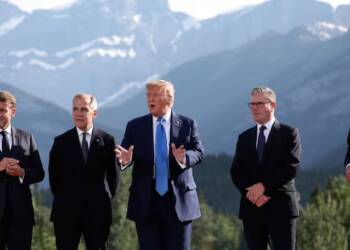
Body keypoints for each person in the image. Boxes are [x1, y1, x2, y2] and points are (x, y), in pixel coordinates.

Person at [115, 80, 204, 250]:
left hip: (179, 202)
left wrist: (183, 158)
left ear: (169, 99)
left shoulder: (187, 124)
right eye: (148, 95)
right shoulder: (135, 125)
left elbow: (198, 151)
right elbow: (125, 154)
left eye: (155, 95)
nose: (150, 99)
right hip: (146, 202)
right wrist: (125, 161)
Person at [230, 86, 301, 250]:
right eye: (252, 104)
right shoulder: (244, 137)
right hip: (252, 208)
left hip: (281, 208)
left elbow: (291, 167)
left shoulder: (289, 133)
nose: (254, 108)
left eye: (259, 103)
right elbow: (236, 171)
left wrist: (264, 188)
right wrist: (253, 194)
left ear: (273, 105)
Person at [49, 93, 119, 250]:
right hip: (66, 212)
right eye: (75, 109)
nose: (78, 113)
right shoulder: (60, 142)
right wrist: (67, 200)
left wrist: (101, 200)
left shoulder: (108, 141)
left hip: (98, 212)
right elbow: (55, 178)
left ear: (94, 113)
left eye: (84, 109)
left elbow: (114, 178)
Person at [0, 91, 44, 250]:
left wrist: (22, 173)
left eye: (3, 110)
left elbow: (40, 173)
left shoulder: (27, 138)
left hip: (21, 216)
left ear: (13, 112)